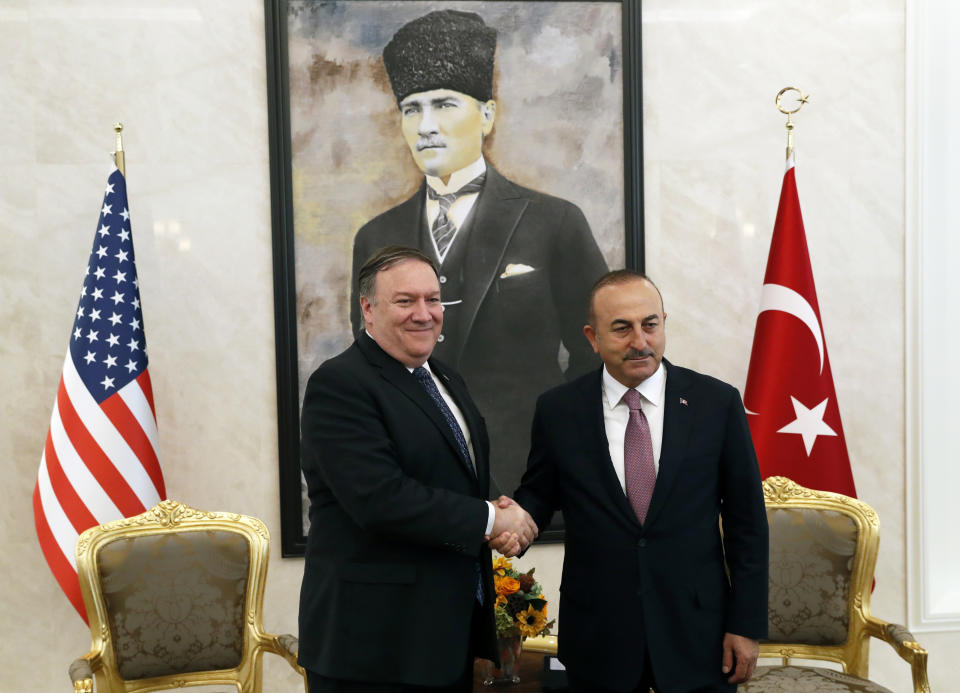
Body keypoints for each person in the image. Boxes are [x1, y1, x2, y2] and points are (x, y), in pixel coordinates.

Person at [350, 9, 609, 497]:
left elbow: (594, 351)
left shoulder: (555, 221)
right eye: (412, 109)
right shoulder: (376, 236)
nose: (426, 126)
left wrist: (560, 450)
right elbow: (371, 365)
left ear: (487, 115)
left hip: (532, 478)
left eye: (445, 104)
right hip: (417, 483)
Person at [508, 270, 769, 692]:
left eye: (650, 325)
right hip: (599, 635)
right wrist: (514, 522)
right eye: (622, 329)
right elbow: (539, 491)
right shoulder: (559, 410)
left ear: (664, 322)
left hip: (699, 636)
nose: (640, 342)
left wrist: (747, 625)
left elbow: (748, 524)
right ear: (592, 338)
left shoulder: (715, 403)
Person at [298, 246, 538, 692]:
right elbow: (380, 500)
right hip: (372, 647)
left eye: (433, 299)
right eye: (405, 301)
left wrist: (498, 514)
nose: (424, 314)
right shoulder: (341, 384)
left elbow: (456, 477)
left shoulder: (445, 379)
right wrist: (491, 518)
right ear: (367, 309)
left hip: (442, 639)